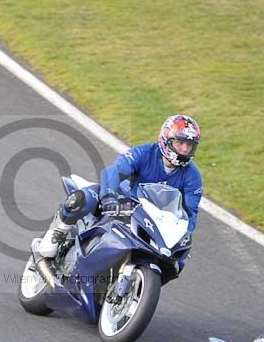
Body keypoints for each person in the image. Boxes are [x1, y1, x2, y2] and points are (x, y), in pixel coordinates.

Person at [35, 114, 203, 274]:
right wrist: (109, 196)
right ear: (166, 139)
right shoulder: (144, 153)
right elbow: (114, 171)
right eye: (180, 143)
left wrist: (183, 237)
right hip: (122, 203)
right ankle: (56, 234)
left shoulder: (192, 176)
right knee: (83, 198)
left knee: (176, 263)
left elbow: (190, 213)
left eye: (189, 145)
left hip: (154, 219)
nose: (185, 149)